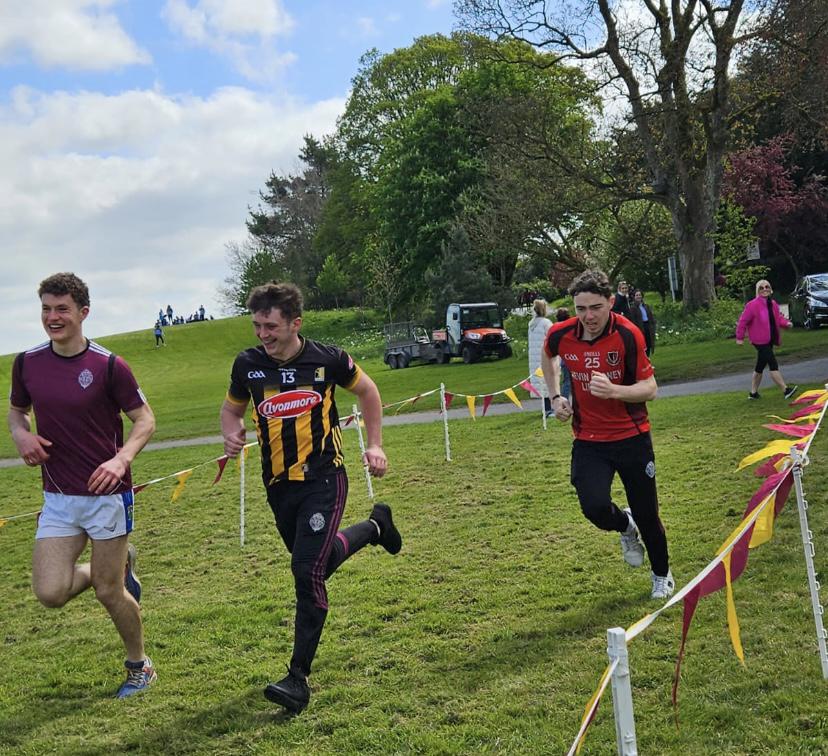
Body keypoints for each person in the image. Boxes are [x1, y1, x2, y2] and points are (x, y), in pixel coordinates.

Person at [220, 281, 402, 714]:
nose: (262, 334)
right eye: (257, 326)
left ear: (295, 323)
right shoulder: (247, 365)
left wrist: (375, 444)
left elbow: (369, 391)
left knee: (306, 571)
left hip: (324, 479)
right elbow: (231, 409)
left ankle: (297, 679)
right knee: (319, 563)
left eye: (271, 326)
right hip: (277, 486)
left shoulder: (328, 359)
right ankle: (376, 527)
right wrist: (231, 431)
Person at [7, 272, 157, 697]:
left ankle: (140, 666)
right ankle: (116, 567)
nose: (52, 318)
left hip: (107, 496)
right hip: (58, 497)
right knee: (50, 592)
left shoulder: (109, 365)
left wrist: (121, 458)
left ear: (83, 313)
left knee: (109, 593)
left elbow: (145, 420)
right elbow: (17, 412)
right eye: (46, 309)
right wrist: (21, 435)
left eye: (62, 309)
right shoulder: (27, 362)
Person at [542, 269, 673, 600]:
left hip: (632, 437)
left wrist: (615, 391)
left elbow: (650, 388)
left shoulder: (628, 334)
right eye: (581, 309)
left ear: (611, 302)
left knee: (647, 513)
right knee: (594, 507)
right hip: (589, 440)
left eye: (596, 307)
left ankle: (662, 575)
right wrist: (555, 396)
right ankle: (625, 526)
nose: (588, 316)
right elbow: (548, 354)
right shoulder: (562, 333)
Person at [736, 279, 797, 400]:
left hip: (770, 339)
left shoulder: (772, 304)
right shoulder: (752, 305)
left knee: (760, 366)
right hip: (759, 341)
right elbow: (743, 322)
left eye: (767, 287)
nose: (765, 289)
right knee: (773, 364)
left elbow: (778, 318)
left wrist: (786, 323)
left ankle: (753, 393)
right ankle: (785, 390)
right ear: (757, 291)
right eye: (761, 288)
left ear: (770, 289)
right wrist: (740, 337)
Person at [528, 299, 554, 416]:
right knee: (548, 381)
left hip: (535, 358)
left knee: (541, 382)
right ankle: (549, 409)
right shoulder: (546, 323)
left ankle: (546, 408)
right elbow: (552, 338)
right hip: (544, 356)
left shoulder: (531, 324)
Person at [628, 289, 656, 357]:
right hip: (640, 327)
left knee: (649, 344)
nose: (638, 296)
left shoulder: (646, 306)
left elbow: (651, 317)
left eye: (639, 295)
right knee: (643, 345)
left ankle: (647, 358)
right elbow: (633, 321)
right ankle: (644, 360)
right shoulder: (633, 308)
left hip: (648, 326)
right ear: (634, 297)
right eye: (637, 295)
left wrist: (653, 325)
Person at [555, 307, 572, 401]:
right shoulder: (570, 327)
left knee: (566, 381)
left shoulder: (556, 329)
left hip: (563, 358)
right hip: (573, 357)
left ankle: (564, 402)